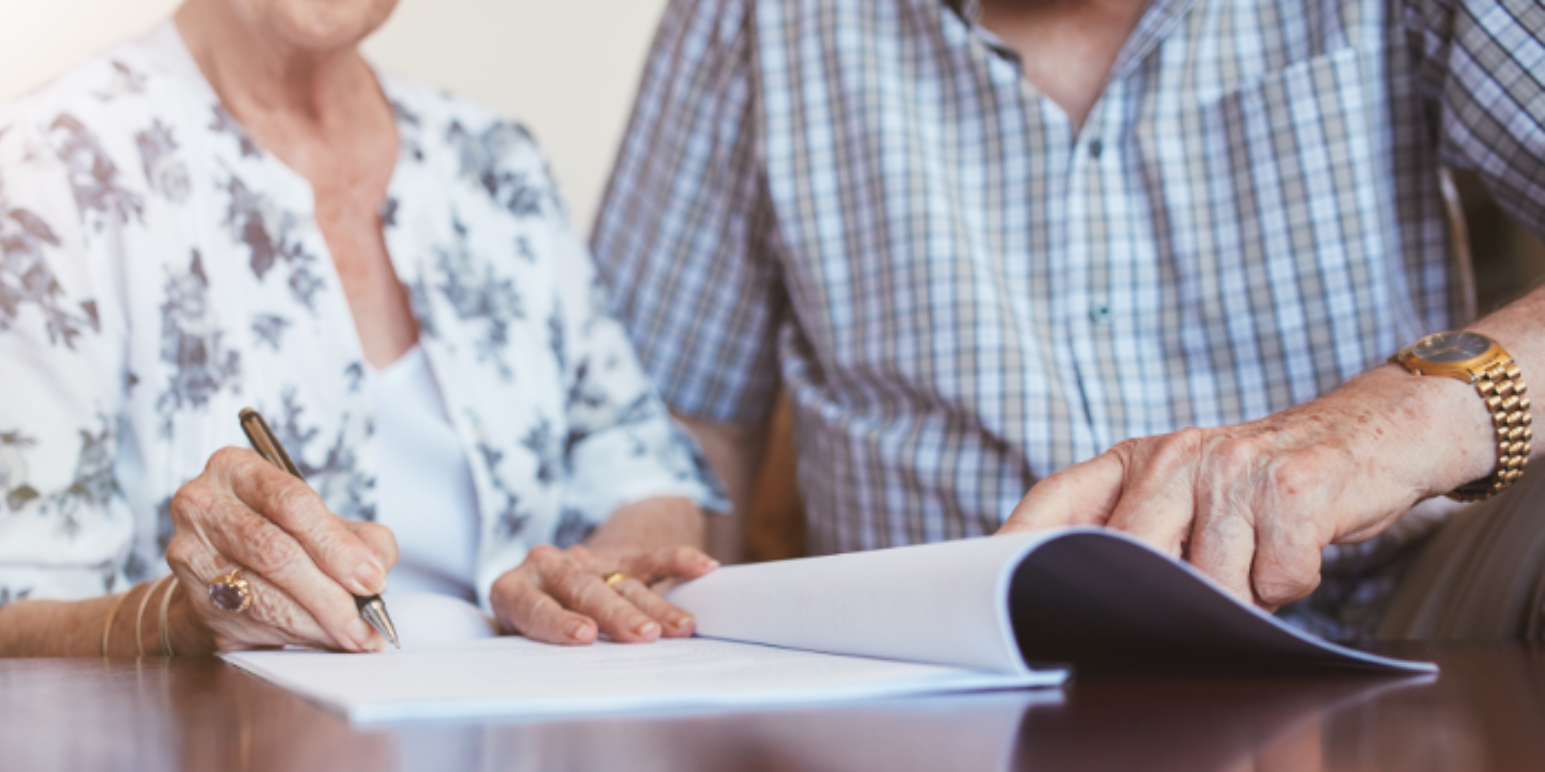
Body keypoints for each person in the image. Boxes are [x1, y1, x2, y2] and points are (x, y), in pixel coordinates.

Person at [594, 0, 1545, 640]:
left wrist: (1382, 430)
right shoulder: (750, 20)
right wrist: (640, 563)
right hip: (946, 687)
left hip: (1400, 631)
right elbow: (675, 422)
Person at [0, 0, 724, 659]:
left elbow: (638, 459)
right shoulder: (40, 169)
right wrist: (188, 622)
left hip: (520, 769)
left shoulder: (493, 162)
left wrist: (598, 576)